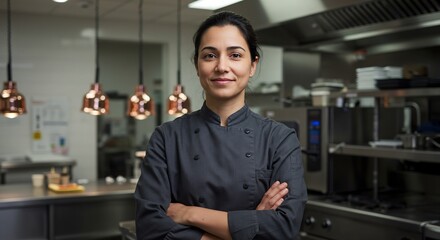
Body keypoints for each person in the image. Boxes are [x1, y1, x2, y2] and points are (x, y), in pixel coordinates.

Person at [134, 11, 307, 240]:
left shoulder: (280, 138)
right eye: (209, 56)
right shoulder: (167, 137)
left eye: (235, 55)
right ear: (197, 65)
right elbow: (149, 228)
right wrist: (249, 227)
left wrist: (189, 213)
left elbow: (284, 227)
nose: (222, 67)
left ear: (253, 65)